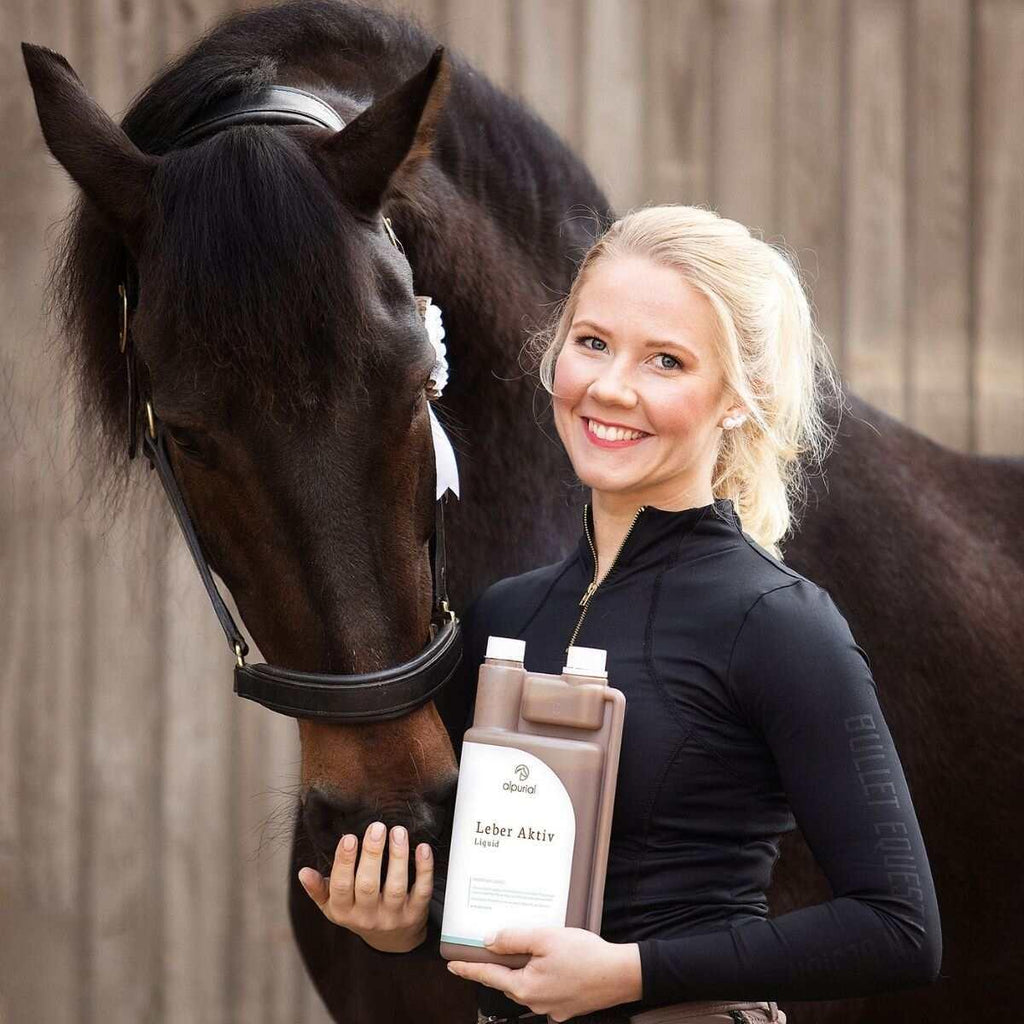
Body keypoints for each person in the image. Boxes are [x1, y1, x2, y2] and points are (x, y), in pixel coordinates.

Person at [298, 205, 943, 1024]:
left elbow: (898, 928)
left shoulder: (778, 624)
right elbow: (480, 903)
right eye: (594, 342)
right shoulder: (504, 614)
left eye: (666, 361)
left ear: (739, 400)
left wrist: (629, 972)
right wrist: (395, 924)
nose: (610, 387)